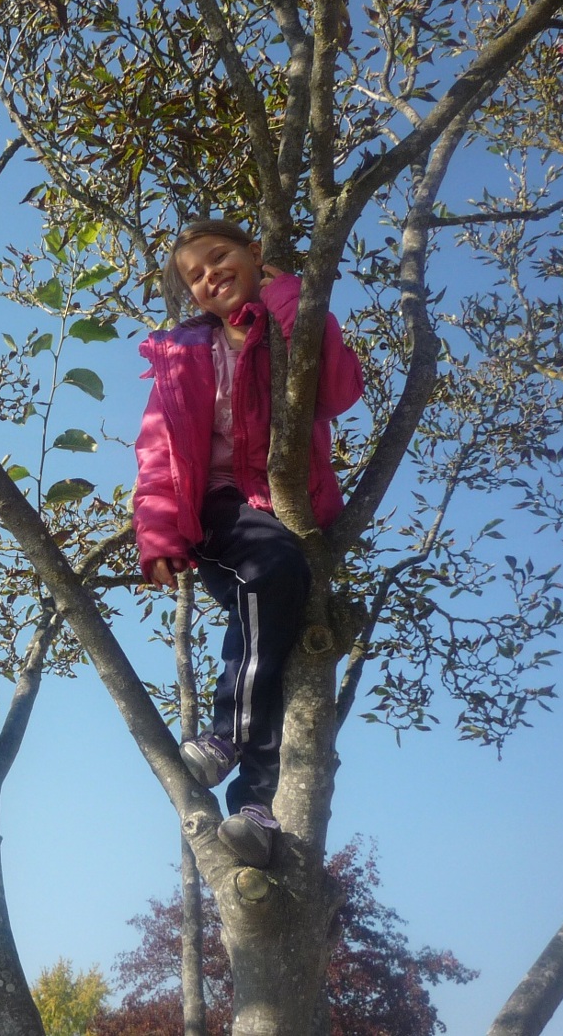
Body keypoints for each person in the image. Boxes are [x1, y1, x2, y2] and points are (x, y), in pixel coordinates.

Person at [132, 218, 364, 868]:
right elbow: (157, 450)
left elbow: (340, 388)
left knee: (279, 646)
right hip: (218, 508)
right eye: (194, 275)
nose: (210, 275)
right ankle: (229, 735)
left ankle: (256, 808)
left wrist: (288, 294)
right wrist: (158, 531)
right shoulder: (183, 355)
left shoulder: (284, 324)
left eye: (220, 256)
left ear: (254, 255)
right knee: (269, 573)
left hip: (284, 506)